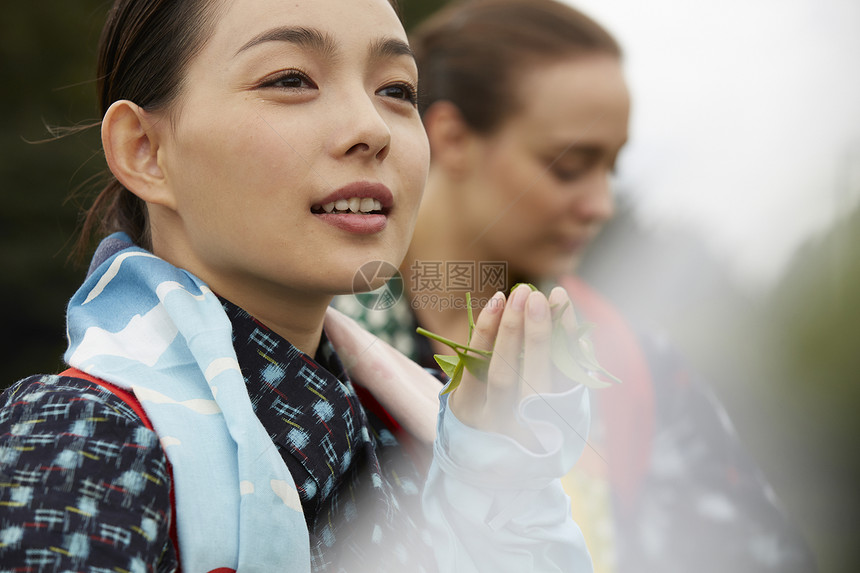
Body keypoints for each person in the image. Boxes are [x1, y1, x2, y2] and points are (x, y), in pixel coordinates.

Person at [0, 0, 596, 571]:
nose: (371, 127)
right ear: (146, 151)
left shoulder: (421, 438)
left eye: (396, 90)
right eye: (290, 79)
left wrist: (499, 479)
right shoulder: (77, 439)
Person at [333, 0, 818, 572]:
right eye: (568, 166)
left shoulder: (630, 363)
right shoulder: (307, 341)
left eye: (611, 167)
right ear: (452, 136)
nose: (600, 206)